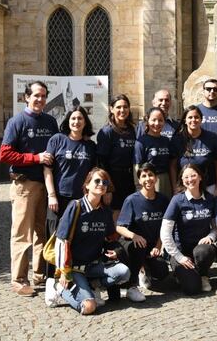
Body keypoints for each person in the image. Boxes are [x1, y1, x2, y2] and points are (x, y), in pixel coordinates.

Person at [0, 80, 58, 296]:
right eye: (36, 95)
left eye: (43, 96)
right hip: (24, 185)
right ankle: (19, 280)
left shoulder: (50, 121)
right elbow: (4, 154)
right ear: (26, 97)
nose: (40, 99)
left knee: (41, 233)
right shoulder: (17, 121)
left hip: (45, 185)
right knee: (22, 234)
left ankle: (40, 274)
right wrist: (35, 158)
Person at [46, 168, 131, 314]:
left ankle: (92, 286)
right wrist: (64, 272)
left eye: (104, 182)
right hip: (73, 269)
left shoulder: (105, 212)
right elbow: (61, 241)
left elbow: (110, 238)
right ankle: (58, 287)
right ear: (87, 185)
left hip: (94, 266)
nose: (101, 184)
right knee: (89, 307)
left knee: (124, 272)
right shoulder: (75, 206)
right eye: (96, 181)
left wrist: (116, 251)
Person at [160, 163, 217, 294]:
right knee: (192, 289)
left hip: (200, 249)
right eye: (186, 177)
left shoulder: (210, 199)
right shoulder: (177, 200)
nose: (190, 179)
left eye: (193, 175)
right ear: (182, 180)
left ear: (200, 177)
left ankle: (203, 275)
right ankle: (181, 273)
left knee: (204, 251)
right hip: (180, 251)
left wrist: (211, 237)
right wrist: (179, 257)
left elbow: (216, 228)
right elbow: (165, 232)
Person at [44, 106, 97, 250]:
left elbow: (93, 174)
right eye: (73, 118)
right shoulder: (57, 140)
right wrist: (51, 195)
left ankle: (73, 271)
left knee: (76, 237)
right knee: (54, 238)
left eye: (80, 118)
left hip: (80, 200)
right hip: (59, 198)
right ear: (68, 121)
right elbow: (47, 169)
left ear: (85, 122)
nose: (76, 121)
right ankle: (52, 272)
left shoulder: (90, 146)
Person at [116, 163, 170, 301]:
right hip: (133, 243)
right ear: (139, 180)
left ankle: (144, 269)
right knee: (138, 246)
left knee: (162, 271)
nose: (148, 179)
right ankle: (131, 286)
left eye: (151, 175)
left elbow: (165, 227)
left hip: (152, 245)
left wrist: (158, 246)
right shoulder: (132, 200)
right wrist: (134, 236)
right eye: (144, 176)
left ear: (156, 178)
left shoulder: (163, 200)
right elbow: (120, 227)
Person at [95, 94, 138, 216]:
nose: (122, 110)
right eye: (118, 107)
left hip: (130, 179)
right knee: (115, 216)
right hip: (113, 180)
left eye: (125, 107)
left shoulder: (132, 130)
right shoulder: (107, 132)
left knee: (129, 214)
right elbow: (101, 163)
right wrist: (107, 188)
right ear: (111, 109)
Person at [169, 106, 217, 193]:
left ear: (201, 119)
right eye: (190, 117)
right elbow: (173, 166)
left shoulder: (211, 137)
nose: (193, 120)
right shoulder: (177, 140)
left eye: (196, 117)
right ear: (185, 120)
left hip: (209, 187)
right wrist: (175, 189)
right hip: (186, 188)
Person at [134, 106, 172, 194]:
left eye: (160, 120)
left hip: (166, 181)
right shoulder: (141, 142)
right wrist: (139, 187)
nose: (157, 123)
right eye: (153, 120)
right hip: (149, 182)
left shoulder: (166, 140)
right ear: (147, 121)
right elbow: (137, 166)